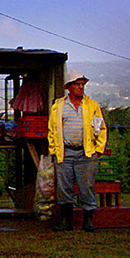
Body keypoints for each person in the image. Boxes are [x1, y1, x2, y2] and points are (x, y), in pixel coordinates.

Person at [47, 70, 107, 232]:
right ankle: (67, 222)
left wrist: (98, 150)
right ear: (69, 87)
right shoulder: (58, 106)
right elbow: (52, 130)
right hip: (64, 152)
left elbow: (101, 128)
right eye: (77, 84)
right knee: (64, 187)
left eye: (82, 84)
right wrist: (54, 150)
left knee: (86, 186)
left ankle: (88, 221)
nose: (81, 87)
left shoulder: (92, 105)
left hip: (86, 152)